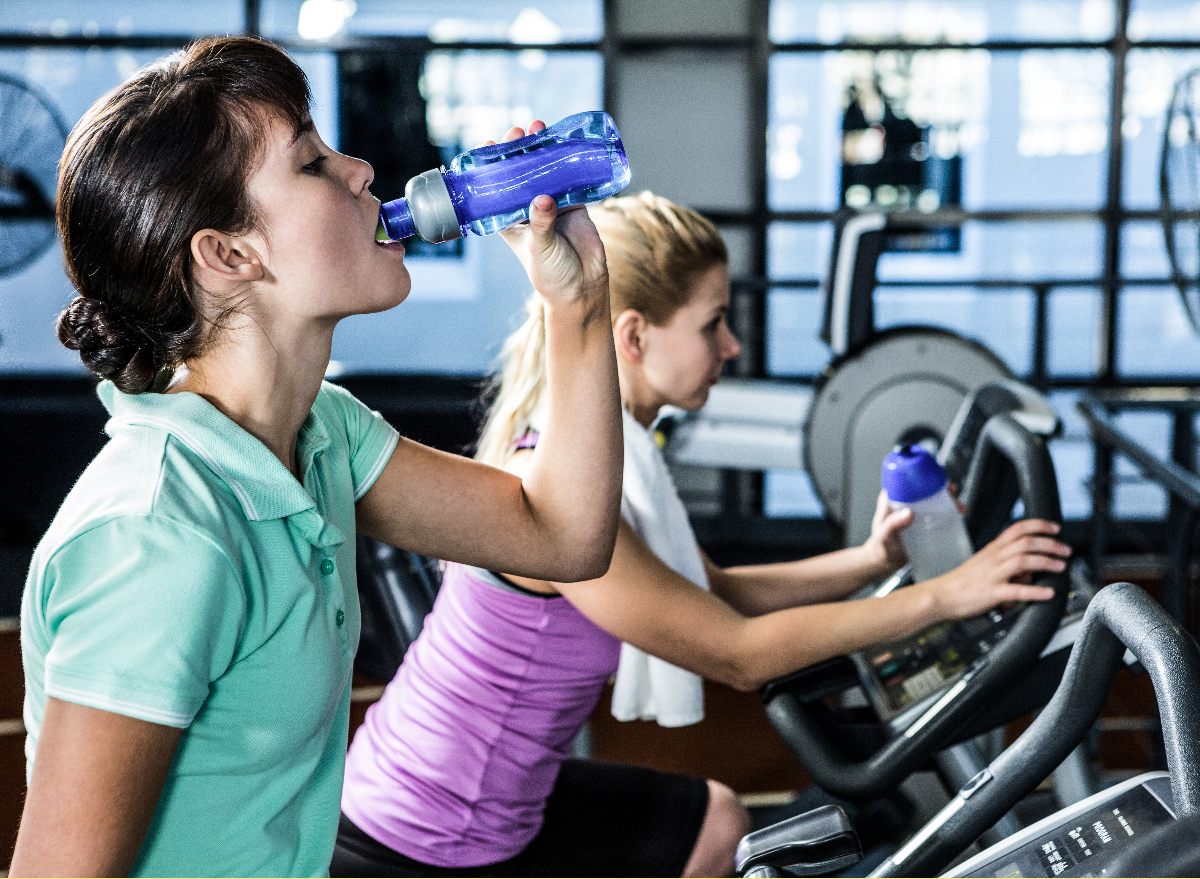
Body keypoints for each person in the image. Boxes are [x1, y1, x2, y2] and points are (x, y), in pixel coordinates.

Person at [11, 37, 623, 878]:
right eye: (311, 162)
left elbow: (563, 537)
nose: (363, 168)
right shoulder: (156, 534)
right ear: (229, 254)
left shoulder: (321, 434)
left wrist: (578, 301)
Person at [333, 192, 1073, 877]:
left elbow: (709, 590)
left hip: (497, 796)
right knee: (715, 820)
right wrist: (945, 596)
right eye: (712, 322)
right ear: (633, 336)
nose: (732, 348)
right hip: (425, 830)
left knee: (717, 821)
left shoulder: (609, 465)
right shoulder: (562, 490)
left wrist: (871, 559)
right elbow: (737, 653)